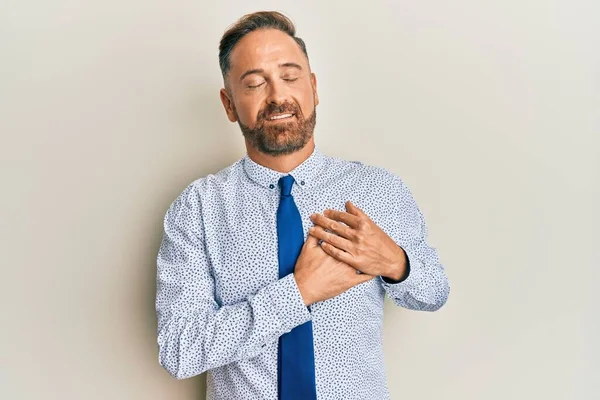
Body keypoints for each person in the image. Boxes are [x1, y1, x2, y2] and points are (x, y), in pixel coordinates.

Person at [155, 10, 450, 400]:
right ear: (229, 104)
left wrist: (396, 262)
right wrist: (299, 292)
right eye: (255, 83)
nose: (278, 96)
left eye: (290, 77)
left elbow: (434, 293)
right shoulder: (197, 209)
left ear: (313, 87)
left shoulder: (377, 190)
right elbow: (179, 350)